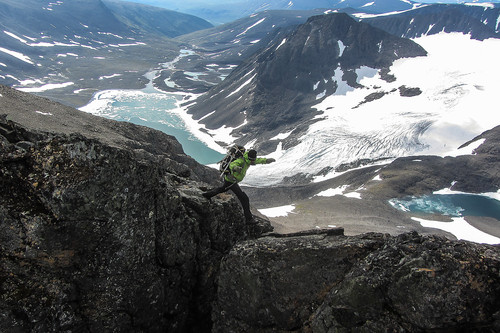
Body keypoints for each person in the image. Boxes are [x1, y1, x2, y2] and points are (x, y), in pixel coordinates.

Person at [203, 149, 275, 223]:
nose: (253, 162)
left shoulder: (249, 160)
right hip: (230, 180)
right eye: (252, 160)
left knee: (224, 189)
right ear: (250, 158)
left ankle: (207, 195)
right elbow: (232, 164)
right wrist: (235, 168)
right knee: (243, 198)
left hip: (233, 181)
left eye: (253, 160)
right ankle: (249, 219)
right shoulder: (241, 161)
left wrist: (267, 160)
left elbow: (258, 160)